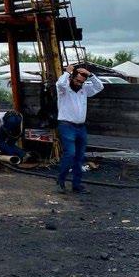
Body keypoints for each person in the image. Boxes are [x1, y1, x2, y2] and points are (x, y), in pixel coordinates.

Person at [56, 64, 104, 194]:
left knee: (79, 156)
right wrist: (67, 72)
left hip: (80, 127)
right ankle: (61, 180)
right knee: (70, 153)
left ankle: (76, 185)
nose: (79, 83)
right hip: (67, 125)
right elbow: (60, 83)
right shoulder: (64, 89)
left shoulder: (84, 89)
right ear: (72, 78)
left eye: (81, 82)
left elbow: (99, 86)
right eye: (77, 80)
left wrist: (90, 75)